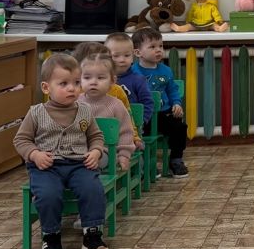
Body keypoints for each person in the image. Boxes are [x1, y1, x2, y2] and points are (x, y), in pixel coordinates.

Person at [14, 54, 109, 249]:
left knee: (92, 188)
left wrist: (96, 151)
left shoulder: (85, 111)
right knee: (48, 194)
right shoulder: (36, 113)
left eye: (76, 82)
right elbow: (21, 140)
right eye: (63, 84)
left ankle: (92, 235)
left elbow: (96, 136)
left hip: (79, 165)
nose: (72, 88)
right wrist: (35, 154)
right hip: (46, 167)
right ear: (46, 88)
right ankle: (51, 236)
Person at [131, 27, 190, 179]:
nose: (158, 50)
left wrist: (176, 103)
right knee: (134, 134)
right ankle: (145, 165)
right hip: (144, 116)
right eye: (152, 47)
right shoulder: (134, 73)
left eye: (160, 46)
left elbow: (172, 90)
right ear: (138, 52)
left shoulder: (166, 71)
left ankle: (176, 160)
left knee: (180, 127)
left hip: (164, 114)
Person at [77, 52, 135, 174]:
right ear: (79, 79)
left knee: (89, 163)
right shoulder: (74, 102)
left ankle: (89, 183)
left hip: (105, 152)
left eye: (100, 78)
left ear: (112, 80)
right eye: (87, 78)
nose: (93, 82)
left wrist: (124, 154)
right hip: (76, 150)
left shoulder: (116, 105)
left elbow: (126, 132)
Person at [106, 32, 154, 130]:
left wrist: (142, 121)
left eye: (127, 55)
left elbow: (147, 103)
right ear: (106, 57)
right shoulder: (102, 80)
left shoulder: (138, 80)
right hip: (107, 126)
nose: (122, 60)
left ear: (133, 56)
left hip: (133, 127)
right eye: (116, 56)